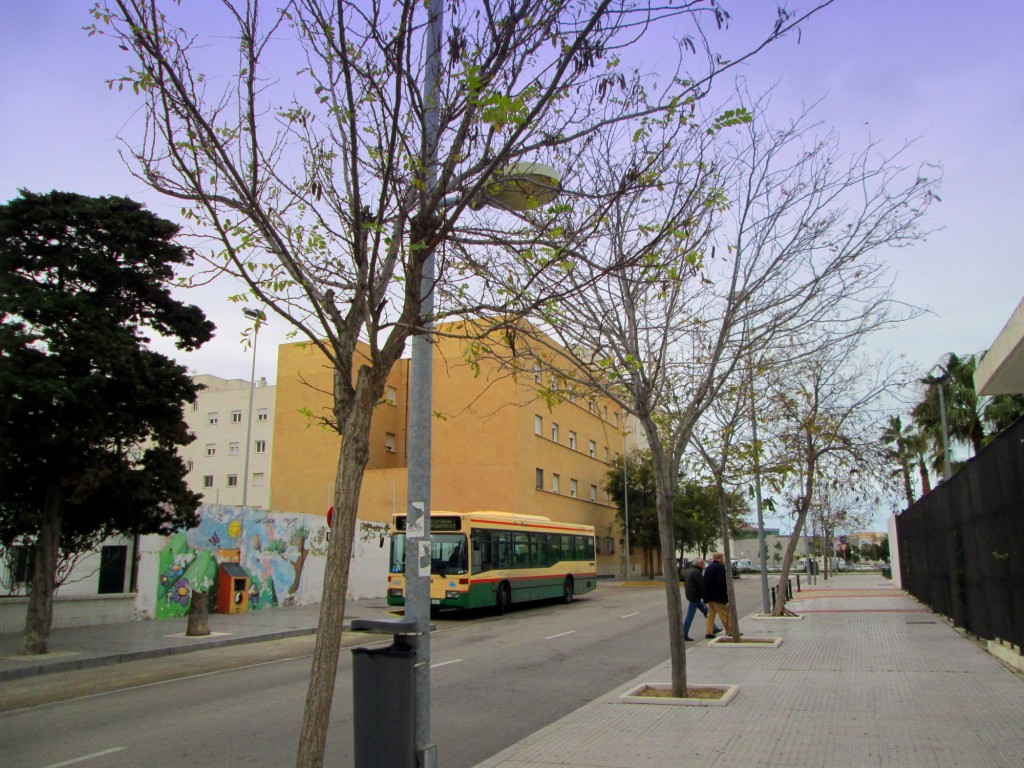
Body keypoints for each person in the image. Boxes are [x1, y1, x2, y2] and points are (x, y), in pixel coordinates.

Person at [682, 558, 720, 641]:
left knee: (706, 611)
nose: (703, 565)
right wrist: (705, 598)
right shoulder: (696, 573)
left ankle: (714, 628)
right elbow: (701, 587)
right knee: (690, 616)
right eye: (702, 563)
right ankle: (684, 634)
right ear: (699, 564)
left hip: (692, 595)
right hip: (695, 597)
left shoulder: (690, 571)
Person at [703, 551, 731, 639]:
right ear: (719, 559)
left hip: (709, 595)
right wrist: (726, 590)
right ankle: (731, 631)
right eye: (722, 558)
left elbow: (705, 581)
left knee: (710, 614)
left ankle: (709, 632)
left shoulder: (708, 568)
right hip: (718, 595)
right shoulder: (720, 567)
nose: (723, 560)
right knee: (724, 613)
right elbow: (721, 581)